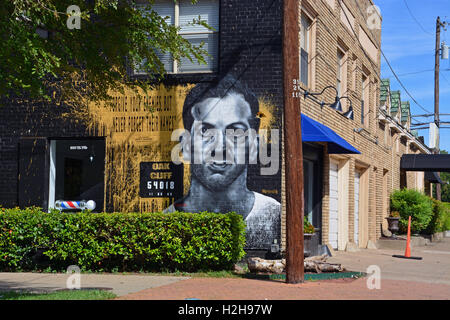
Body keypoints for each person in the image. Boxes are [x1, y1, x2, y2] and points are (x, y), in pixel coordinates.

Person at [164, 74, 280, 250]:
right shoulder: (165, 219)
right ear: (186, 145)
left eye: (236, 132)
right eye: (205, 131)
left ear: (254, 145)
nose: (220, 147)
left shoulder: (275, 215)